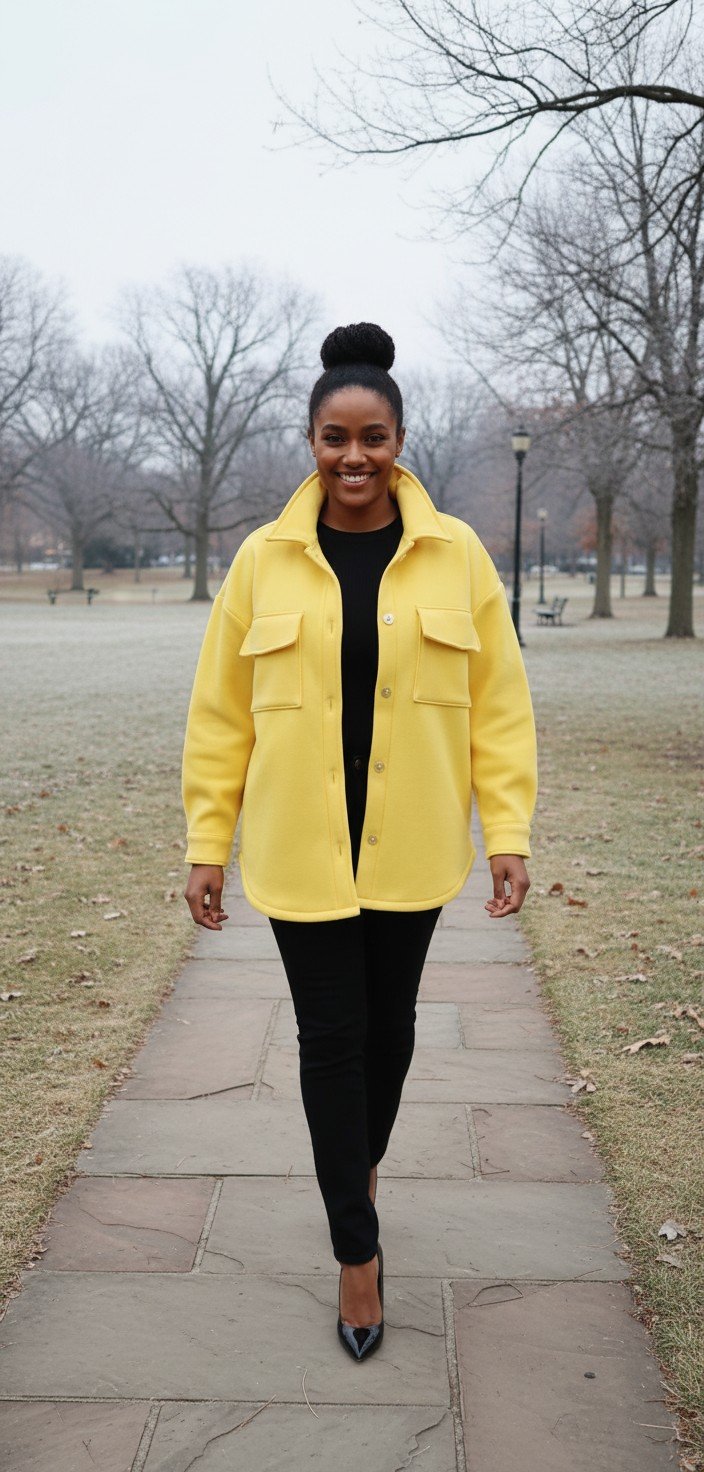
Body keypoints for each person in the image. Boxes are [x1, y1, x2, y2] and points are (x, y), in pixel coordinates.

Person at [182, 321, 538, 1362]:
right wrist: (209, 841)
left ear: (398, 439)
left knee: (388, 1034)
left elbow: (498, 703)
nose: (352, 456)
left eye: (371, 436)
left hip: (411, 846)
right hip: (298, 852)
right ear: (307, 439)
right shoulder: (262, 561)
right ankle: (356, 1250)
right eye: (333, 436)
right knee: (330, 1036)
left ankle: (354, 1167)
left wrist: (505, 827)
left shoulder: (456, 552)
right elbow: (219, 713)